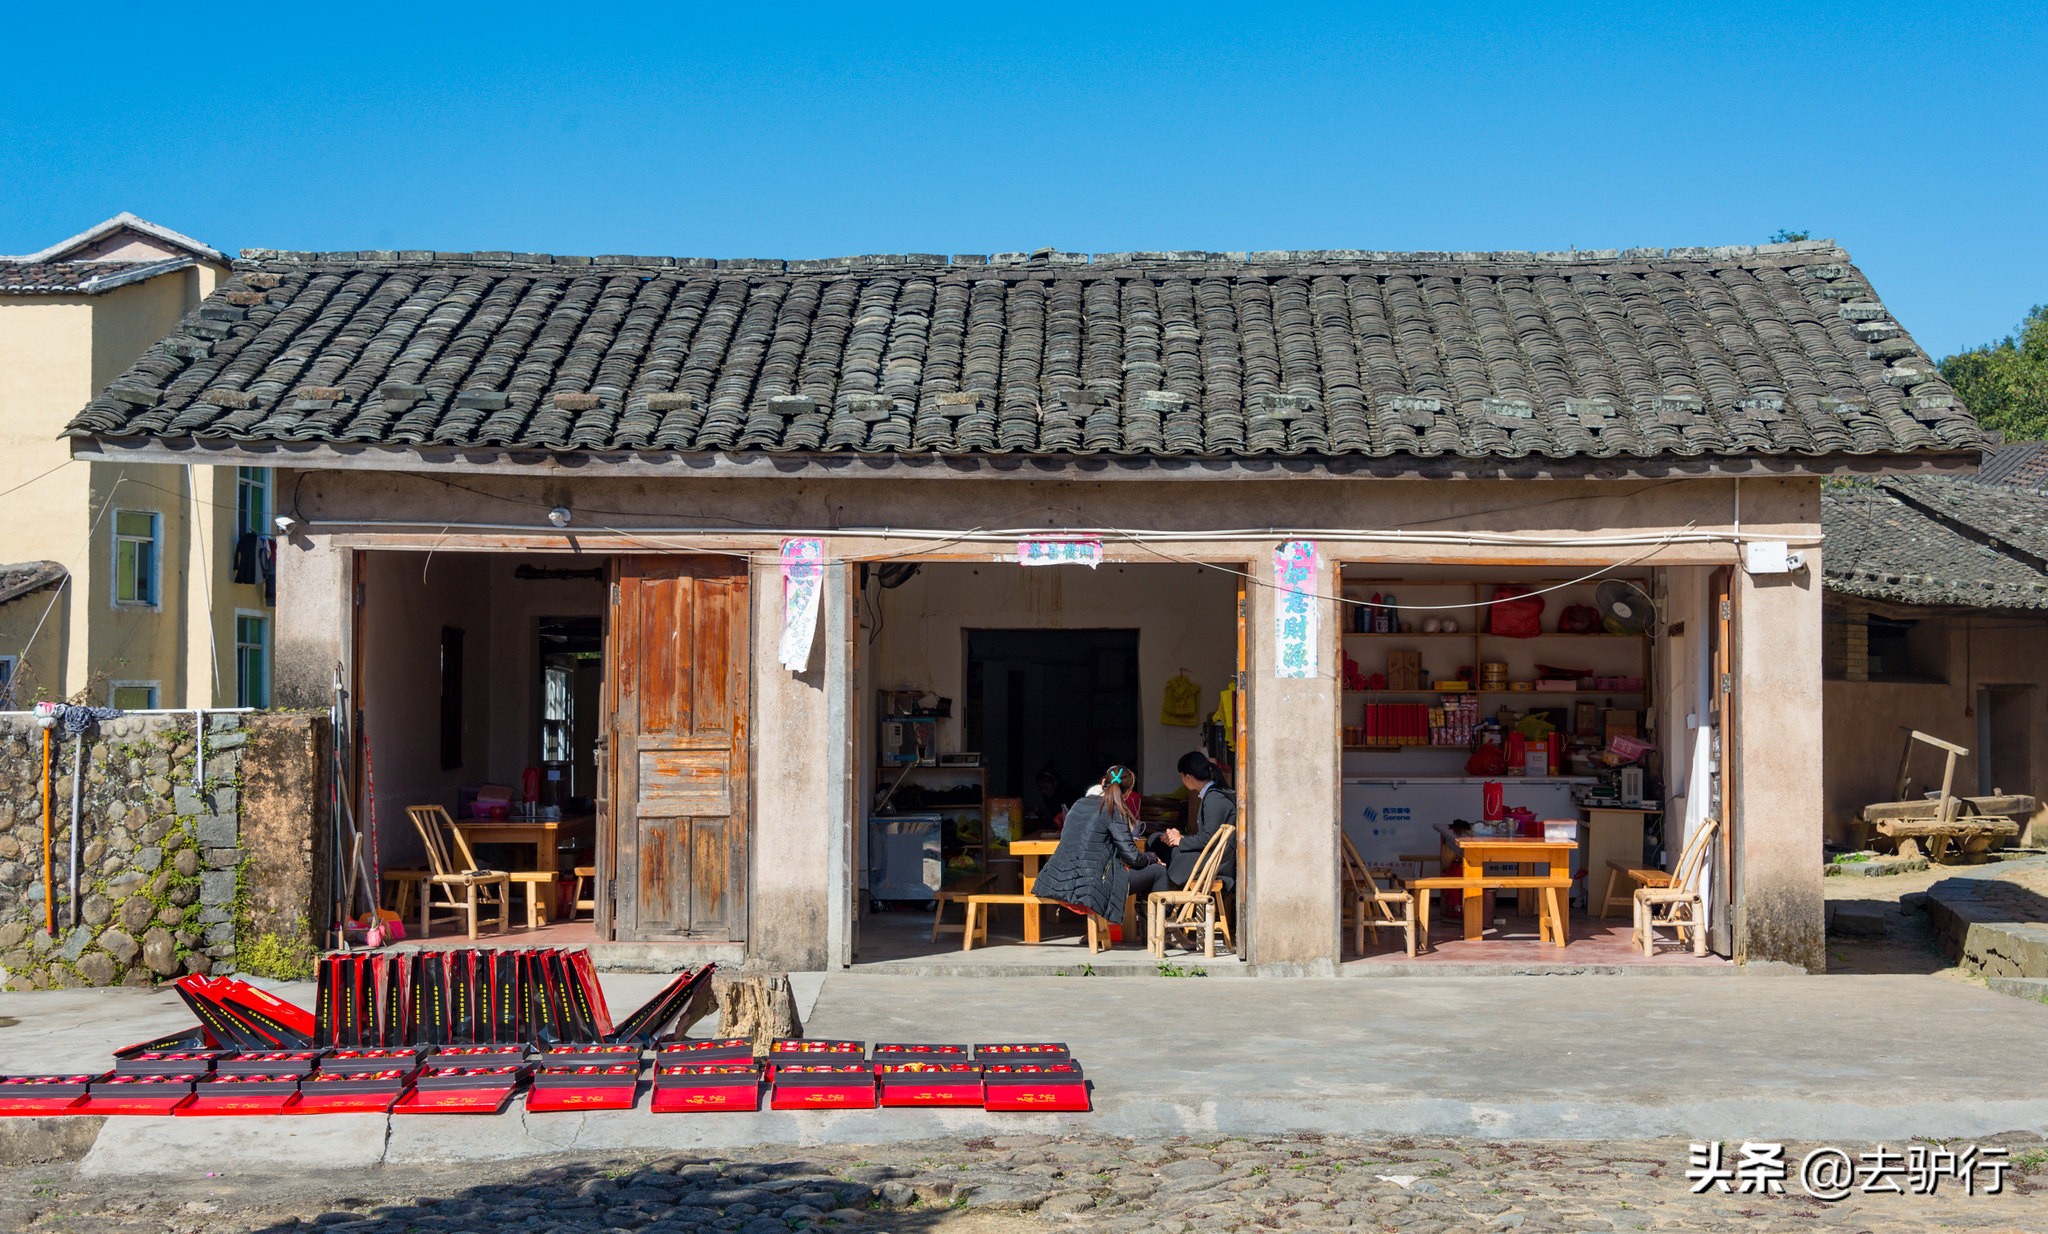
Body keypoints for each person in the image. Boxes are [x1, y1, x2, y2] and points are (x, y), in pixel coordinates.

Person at [1030, 766, 1145, 928]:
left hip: (1056, 882)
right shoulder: (1114, 810)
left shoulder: (1078, 804)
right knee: (1158, 872)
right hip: (1091, 886)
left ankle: (1100, 930)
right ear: (1127, 793)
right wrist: (1151, 858)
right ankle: (1159, 935)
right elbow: (1131, 856)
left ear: (1103, 782)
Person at [1127, 752, 1236, 901]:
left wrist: (1180, 841)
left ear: (1188, 777)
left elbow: (1209, 839)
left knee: (1164, 849)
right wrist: (1178, 837)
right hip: (1208, 855)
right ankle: (1157, 888)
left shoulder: (1215, 798)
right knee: (1157, 840)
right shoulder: (1213, 796)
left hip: (1214, 862)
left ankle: (1162, 897)